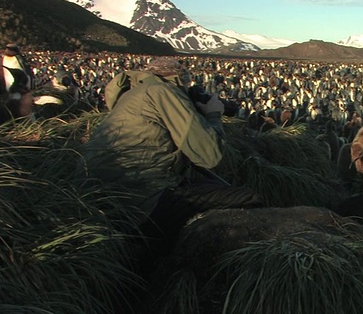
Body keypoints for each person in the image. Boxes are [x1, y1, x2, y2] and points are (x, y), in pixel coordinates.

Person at [82, 57, 263, 257]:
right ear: (177, 78)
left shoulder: (134, 94)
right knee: (248, 199)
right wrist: (212, 115)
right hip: (141, 204)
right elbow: (209, 155)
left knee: (203, 188)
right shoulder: (164, 93)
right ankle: (204, 267)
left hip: (105, 201)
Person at [0, 43, 36, 123]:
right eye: (6, 48)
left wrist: (26, 87)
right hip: (10, 90)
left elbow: (26, 76)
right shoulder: (4, 60)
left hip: (19, 90)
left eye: (10, 49)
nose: (7, 50)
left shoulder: (18, 59)